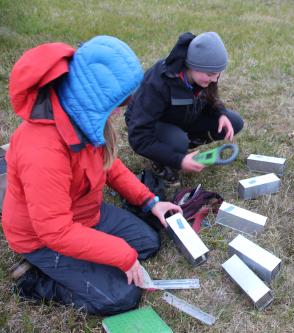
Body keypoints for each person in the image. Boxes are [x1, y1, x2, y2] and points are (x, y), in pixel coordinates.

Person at [2, 36, 182, 315]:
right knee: (122, 295)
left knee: (148, 242)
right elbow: (55, 230)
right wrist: (121, 255)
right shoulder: (42, 149)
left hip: (84, 214)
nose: (121, 110)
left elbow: (110, 166)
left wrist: (150, 202)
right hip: (42, 237)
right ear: (96, 97)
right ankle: (37, 278)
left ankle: (86, 260)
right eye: (119, 103)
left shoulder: (81, 116)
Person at [125, 32, 244, 181]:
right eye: (211, 74)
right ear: (193, 66)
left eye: (218, 74)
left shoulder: (205, 74)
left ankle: (182, 145)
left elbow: (210, 98)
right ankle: (165, 158)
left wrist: (220, 113)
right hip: (152, 122)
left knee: (234, 122)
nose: (215, 79)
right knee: (178, 142)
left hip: (182, 116)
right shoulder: (158, 82)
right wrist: (178, 160)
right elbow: (139, 136)